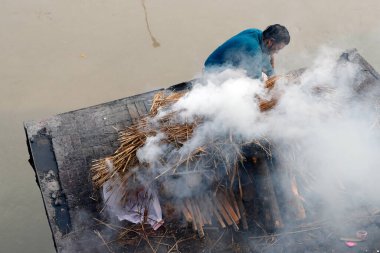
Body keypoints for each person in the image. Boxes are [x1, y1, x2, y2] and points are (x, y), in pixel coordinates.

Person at [204, 24, 290, 79]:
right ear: (269, 42)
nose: (277, 52)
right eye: (278, 48)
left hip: (225, 67)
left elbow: (264, 60)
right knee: (254, 82)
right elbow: (256, 77)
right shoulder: (253, 47)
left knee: (264, 76)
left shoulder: (257, 33)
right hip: (214, 73)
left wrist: (272, 75)